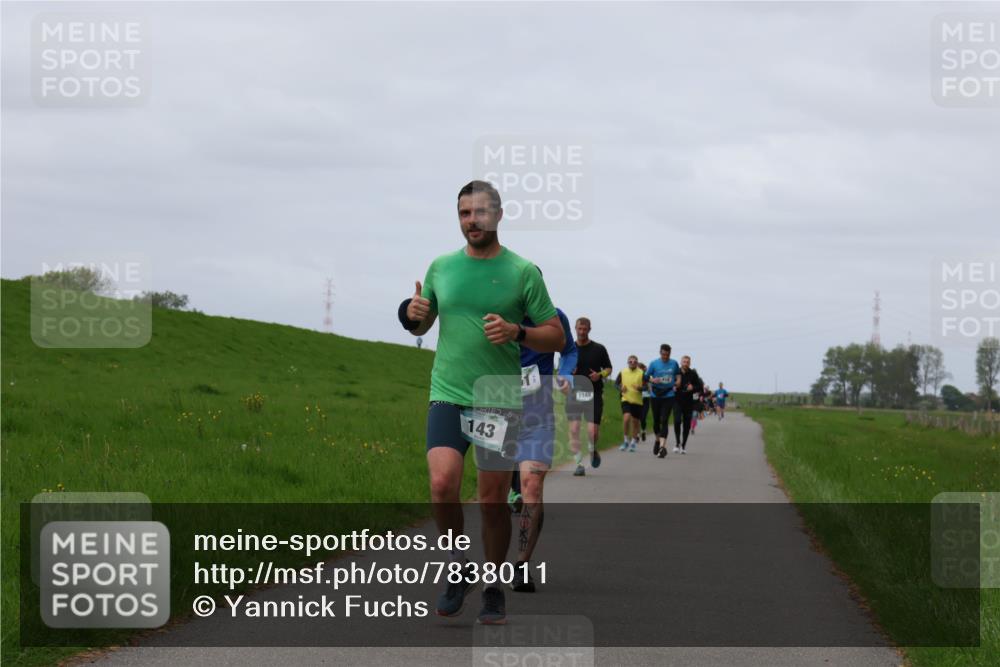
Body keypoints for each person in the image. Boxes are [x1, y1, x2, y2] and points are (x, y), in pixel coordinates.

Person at [398, 180, 564, 624]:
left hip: (498, 395)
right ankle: (458, 567)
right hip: (448, 392)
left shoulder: (522, 271)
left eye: (480, 213)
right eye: (464, 214)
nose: (472, 221)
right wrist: (409, 314)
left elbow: (556, 335)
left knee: (491, 501)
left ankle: (492, 584)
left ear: (498, 215)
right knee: (441, 484)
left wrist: (518, 332)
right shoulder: (441, 267)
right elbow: (421, 322)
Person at [508, 300, 577, 593]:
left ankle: (522, 565)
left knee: (533, 487)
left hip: (538, 414)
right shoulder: (497, 312)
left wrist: (566, 373)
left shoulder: (555, 317)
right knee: (495, 491)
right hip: (497, 409)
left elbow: (570, 350)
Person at [566, 317, 612, 476]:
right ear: (575, 328)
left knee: (592, 432)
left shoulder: (599, 349)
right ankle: (578, 463)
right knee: (574, 429)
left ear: (589, 329)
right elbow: (561, 372)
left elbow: (608, 368)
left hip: (594, 394)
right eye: (579, 328)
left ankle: (592, 450)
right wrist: (568, 375)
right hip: (574, 394)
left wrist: (600, 375)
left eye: (585, 329)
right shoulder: (569, 349)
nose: (582, 332)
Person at [644, 344, 681, 458]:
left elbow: (678, 375)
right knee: (656, 421)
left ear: (670, 353)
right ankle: (657, 440)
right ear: (660, 353)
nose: (665, 356)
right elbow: (645, 377)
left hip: (669, 394)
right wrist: (651, 379)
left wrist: (678, 381)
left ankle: (662, 447)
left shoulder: (674, 363)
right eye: (663, 354)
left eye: (667, 354)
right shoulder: (654, 363)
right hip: (655, 395)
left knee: (664, 420)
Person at [674, 355, 704, 453]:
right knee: (677, 421)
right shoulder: (676, 372)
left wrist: (693, 387)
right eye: (684, 361)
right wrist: (673, 387)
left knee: (686, 425)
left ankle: (683, 446)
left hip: (688, 402)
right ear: (681, 362)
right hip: (677, 400)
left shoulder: (693, 374)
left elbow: (700, 387)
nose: (685, 363)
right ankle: (677, 443)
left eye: (687, 362)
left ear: (690, 363)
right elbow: (670, 383)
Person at [616, 355, 644, 452]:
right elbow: (616, 384)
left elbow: (647, 387)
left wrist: (640, 388)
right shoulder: (622, 372)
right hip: (625, 399)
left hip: (637, 401)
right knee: (626, 418)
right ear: (628, 362)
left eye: (634, 362)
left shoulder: (641, 373)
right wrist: (620, 388)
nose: (632, 363)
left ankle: (633, 442)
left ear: (637, 363)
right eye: (630, 362)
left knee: (635, 422)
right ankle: (625, 440)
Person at [637, 363, 652, 442]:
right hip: (636, 399)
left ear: (643, 369)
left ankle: (643, 431)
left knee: (643, 418)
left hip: (646, 399)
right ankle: (637, 434)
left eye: (640, 369)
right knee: (637, 418)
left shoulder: (647, 377)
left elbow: (650, 389)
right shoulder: (634, 376)